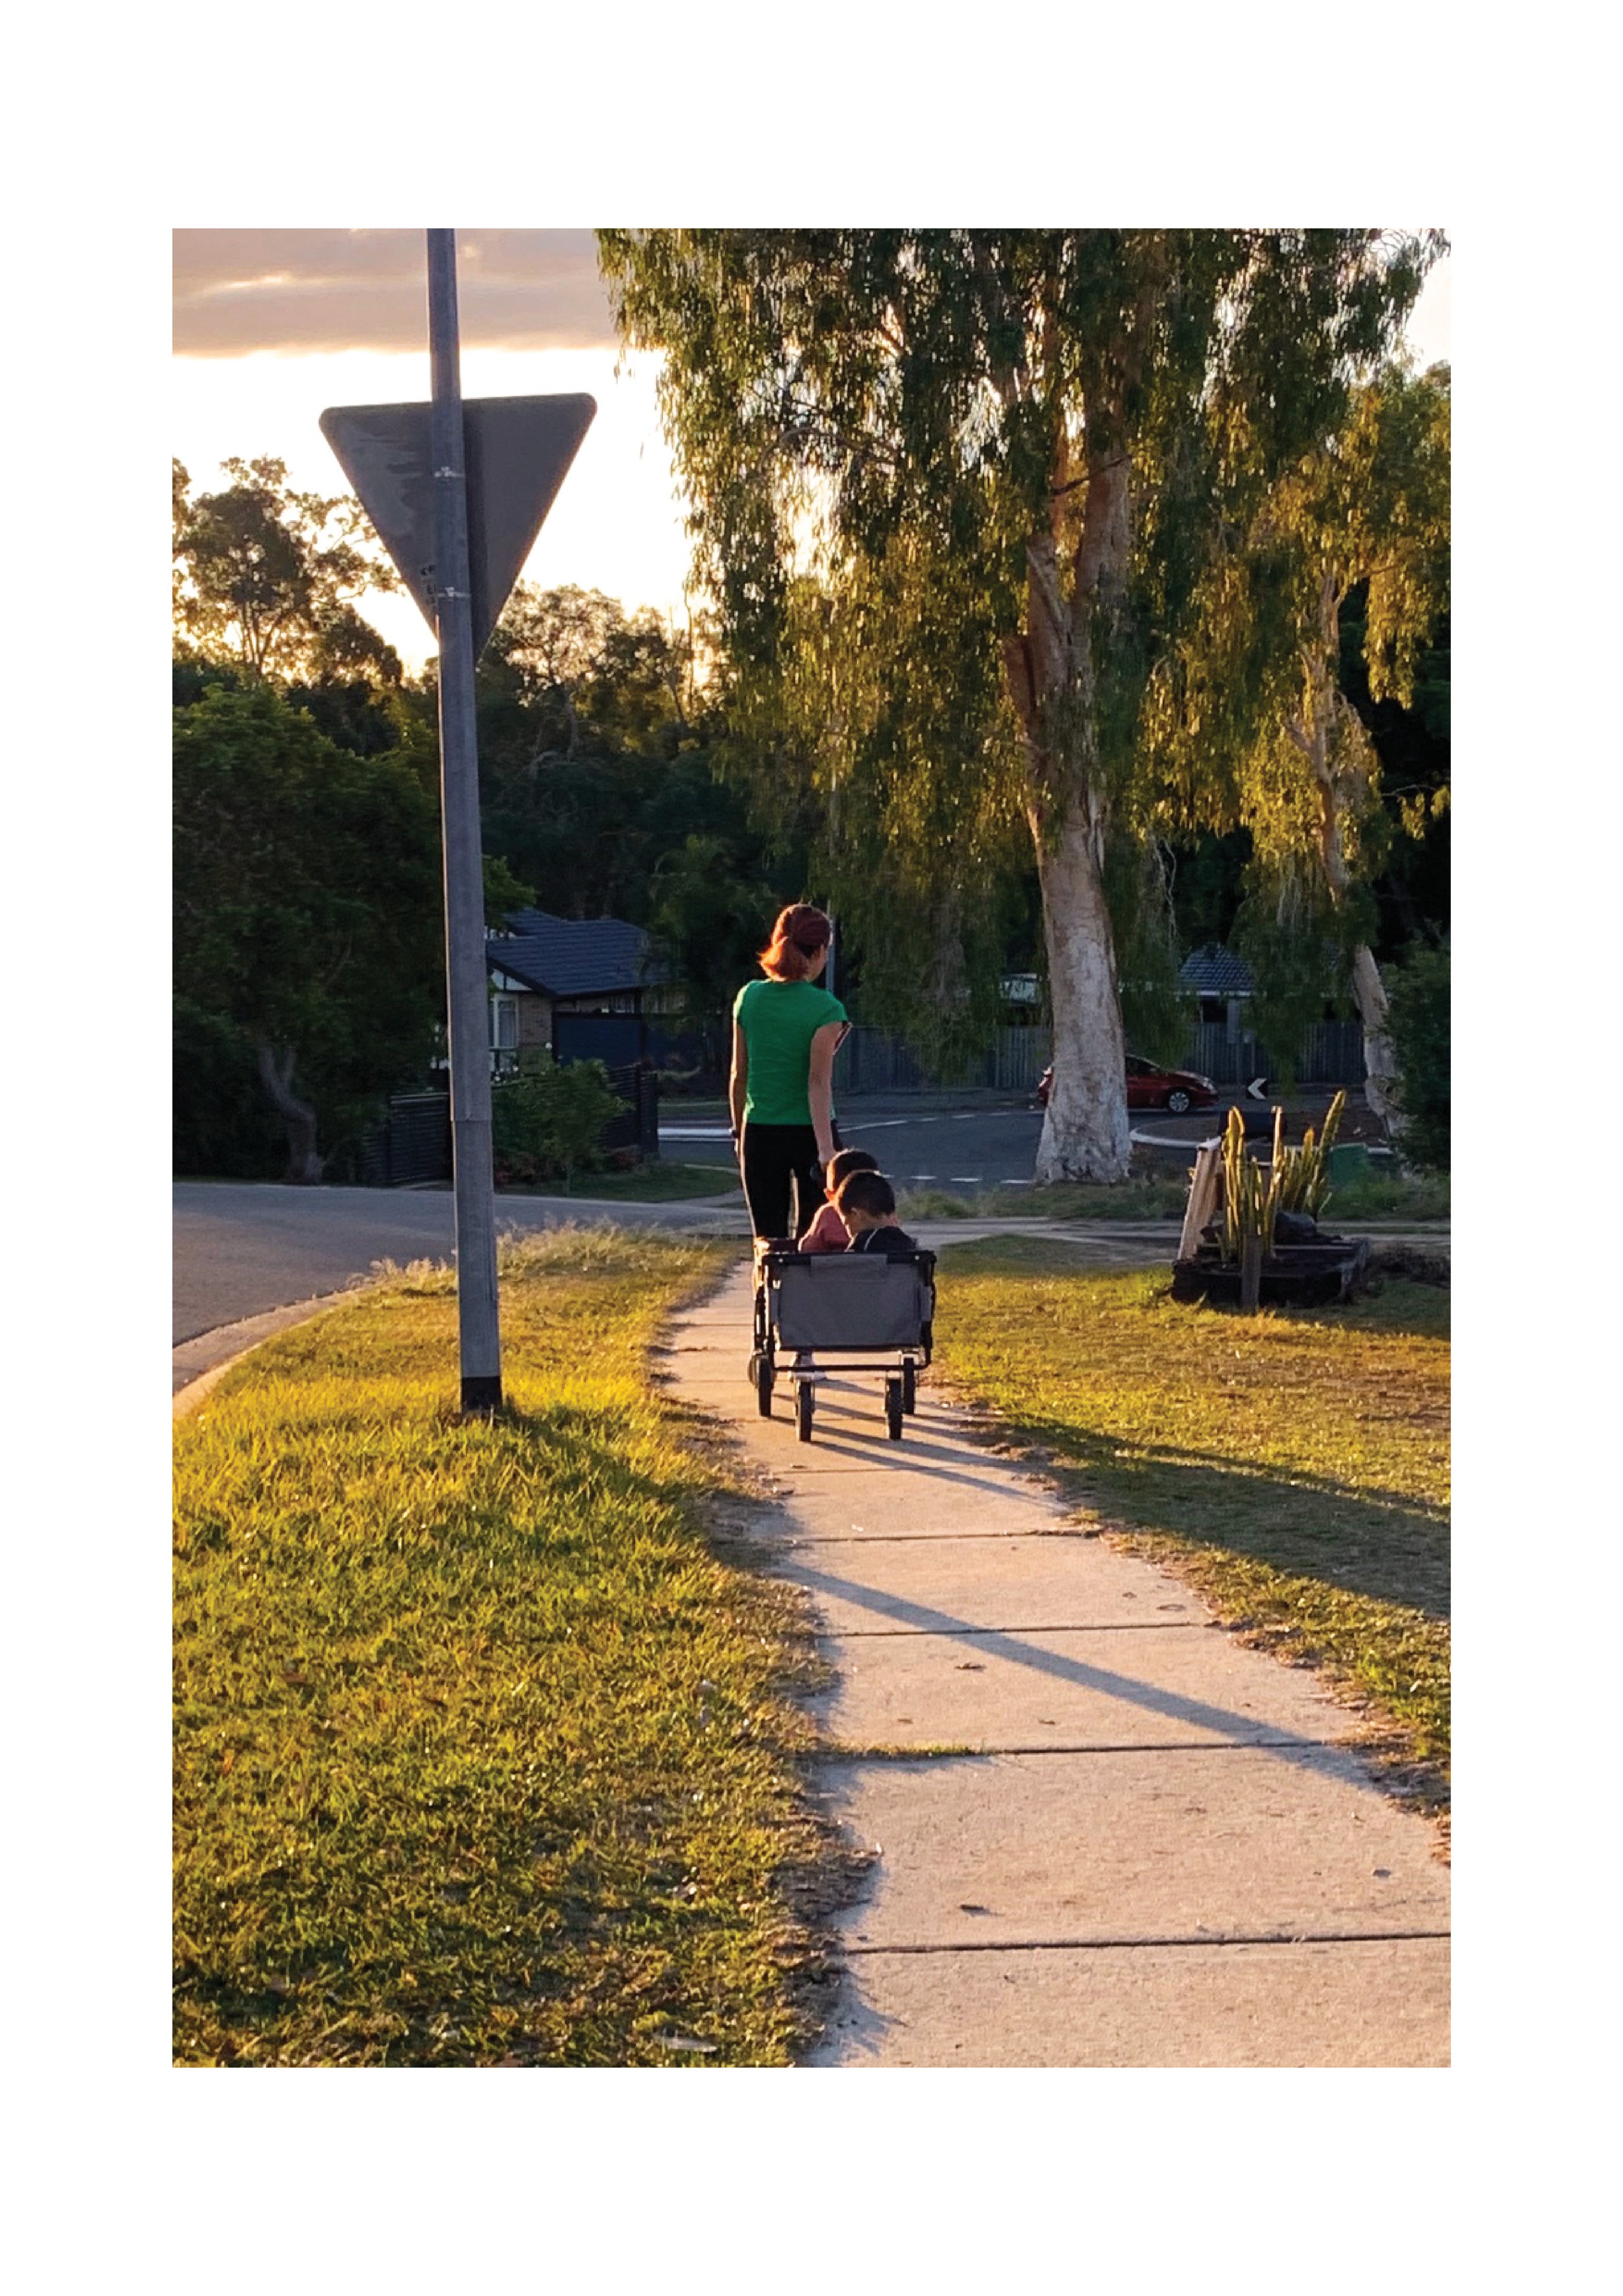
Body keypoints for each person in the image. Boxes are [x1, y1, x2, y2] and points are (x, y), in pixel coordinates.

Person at [730, 905, 848, 1243]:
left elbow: (740, 1074)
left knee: (767, 1241)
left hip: (761, 1132)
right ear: (822, 950)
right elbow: (817, 1082)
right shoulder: (826, 1008)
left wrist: (740, 1133)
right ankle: (805, 1299)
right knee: (815, 1240)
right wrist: (826, 1151)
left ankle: (765, 1298)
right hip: (810, 1132)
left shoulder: (749, 998)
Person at [797, 1148, 879, 1254]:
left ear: (830, 1195)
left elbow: (807, 1249)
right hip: (873, 1265)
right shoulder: (882, 1212)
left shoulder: (828, 1213)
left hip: (833, 1267)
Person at [834, 1168, 919, 1256]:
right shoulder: (909, 1245)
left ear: (856, 1214)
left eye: (846, 1223)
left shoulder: (862, 1247)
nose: (847, 1230)